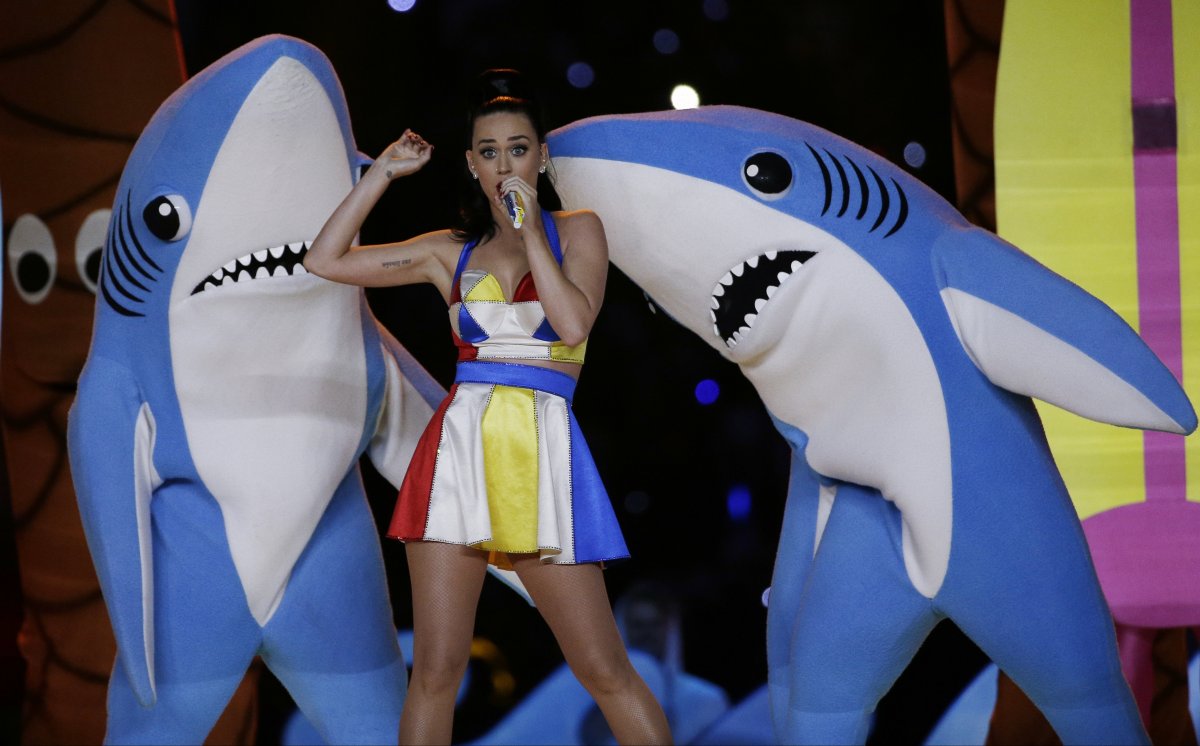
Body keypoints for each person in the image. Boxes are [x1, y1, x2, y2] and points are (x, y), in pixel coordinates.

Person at [304, 69, 672, 746]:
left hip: (541, 458)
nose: (505, 164)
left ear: (542, 157)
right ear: (472, 164)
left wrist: (531, 233)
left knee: (603, 668)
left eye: (518, 148)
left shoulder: (579, 231)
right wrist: (382, 173)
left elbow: (572, 323)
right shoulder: (448, 251)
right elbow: (324, 260)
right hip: (458, 460)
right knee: (435, 673)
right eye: (490, 151)